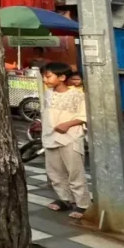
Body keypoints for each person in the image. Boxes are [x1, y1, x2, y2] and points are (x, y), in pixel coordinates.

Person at [42, 62, 90, 220]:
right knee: (54, 172)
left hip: (70, 137)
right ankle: (65, 199)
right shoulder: (47, 94)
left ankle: (83, 204)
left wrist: (68, 124)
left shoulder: (77, 95)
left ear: (62, 77)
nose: (45, 79)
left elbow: (84, 115)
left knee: (75, 172)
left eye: (48, 76)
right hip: (50, 137)